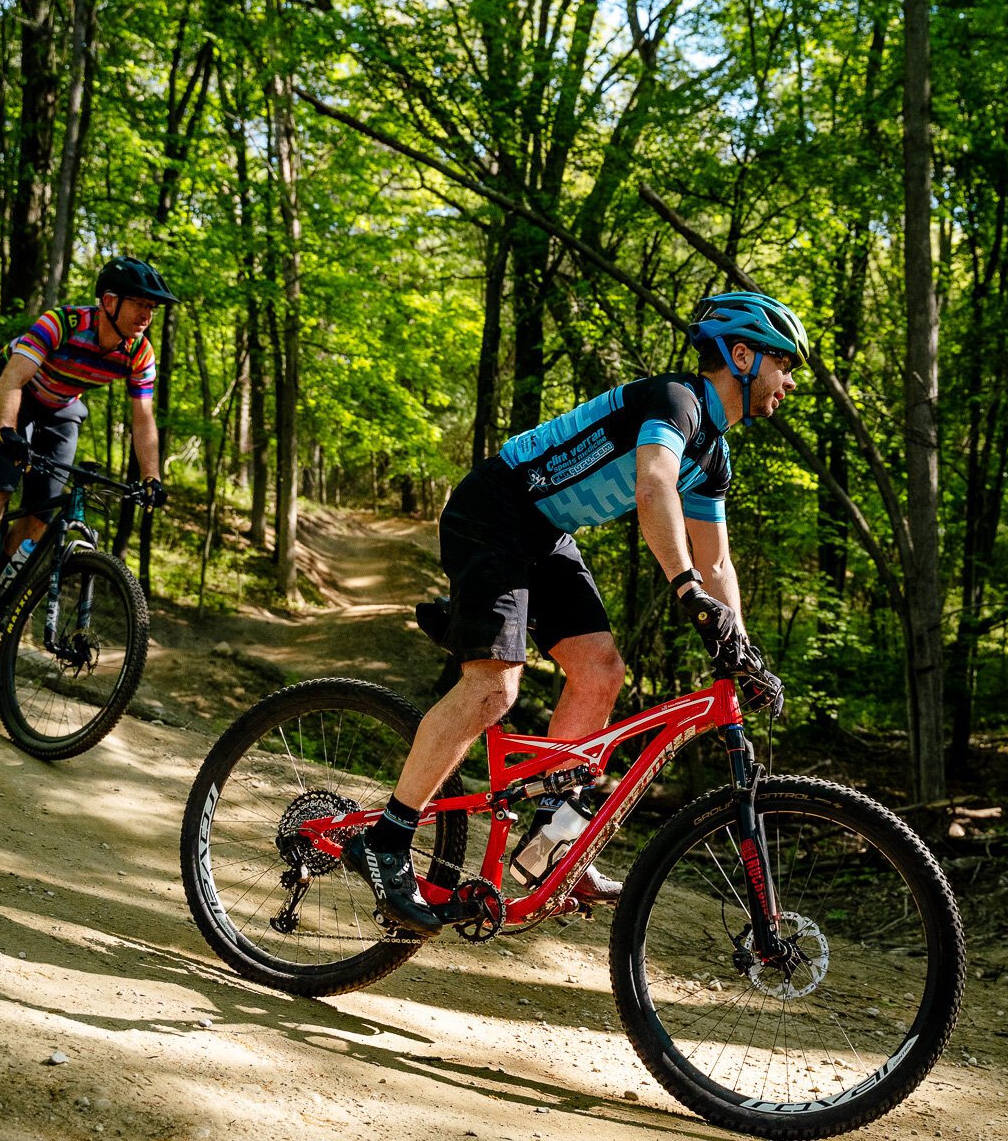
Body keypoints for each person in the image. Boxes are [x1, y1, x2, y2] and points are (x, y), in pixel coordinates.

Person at [344, 290, 806, 936]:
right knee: (494, 688)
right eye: (786, 364)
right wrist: (687, 591)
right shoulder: (678, 401)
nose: (789, 381)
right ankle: (386, 841)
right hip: (495, 509)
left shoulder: (716, 457)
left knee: (601, 670)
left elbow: (720, 564)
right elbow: (653, 486)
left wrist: (746, 652)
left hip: (545, 532)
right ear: (743, 354)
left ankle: (550, 843)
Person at [0, 257, 179, 623]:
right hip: (18, 393)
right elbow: (12, 381)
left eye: (152, 308)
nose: (147, 315)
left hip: (63, 407)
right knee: (0, 486)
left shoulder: (139, 352)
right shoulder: (61, 324)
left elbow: (142, 418)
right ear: (109, 301)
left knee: (42, 514)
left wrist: (151, 477)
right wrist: (7, 430)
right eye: (140, 304)